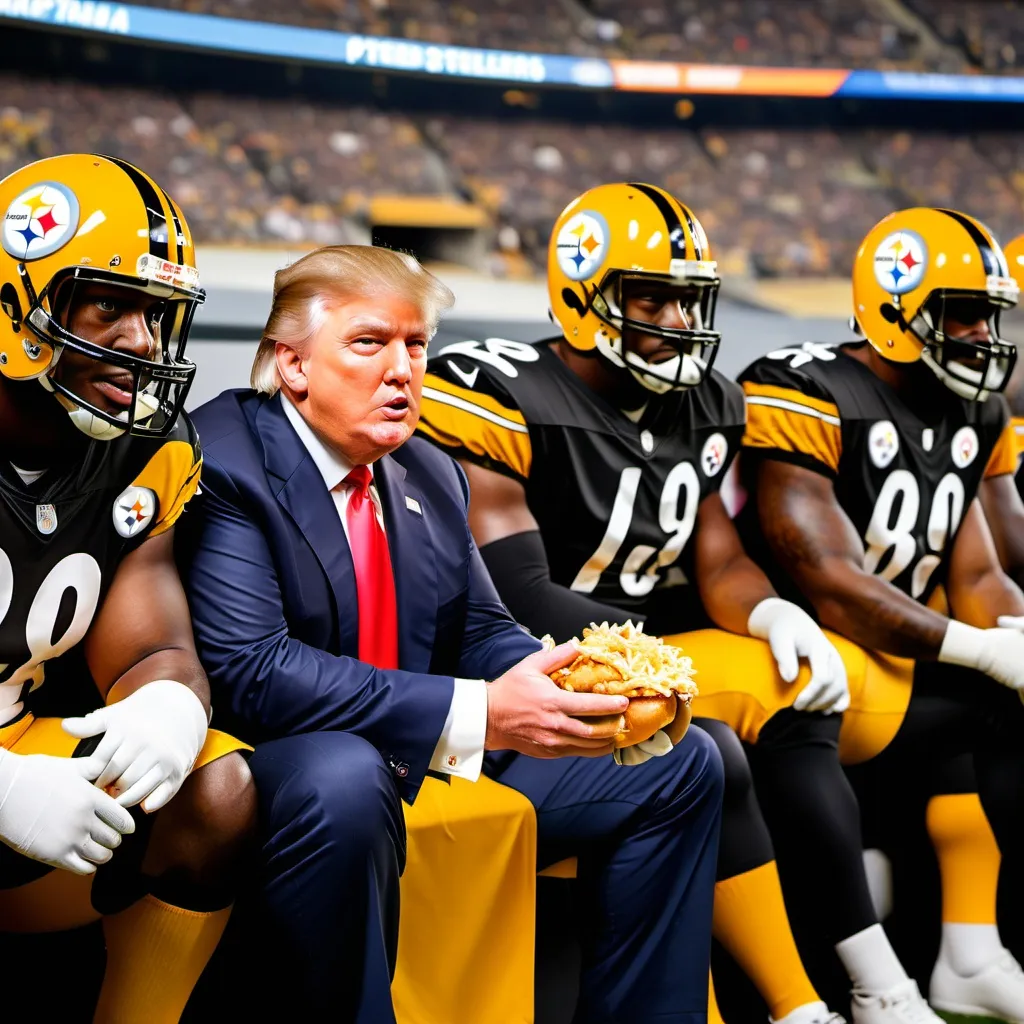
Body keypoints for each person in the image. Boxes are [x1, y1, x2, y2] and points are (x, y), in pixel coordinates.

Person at [179, 243, 724, 1022]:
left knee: (680, 765)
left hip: (411, 745)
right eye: (370, 343)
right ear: (292, 365)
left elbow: (479, 628)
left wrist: (568, 686)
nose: (402, 369)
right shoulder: (221, 458)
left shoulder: (431, 471)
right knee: (344, 772)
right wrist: (479, 713)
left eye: (415, 344)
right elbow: (254, 671)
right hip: (284, 762)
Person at [417, 181, 845, 1024]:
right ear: (583, 295)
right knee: (708, 751)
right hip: (535, 657)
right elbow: (518, 590)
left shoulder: (709, 401)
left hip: (643, 644)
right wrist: (657, 658)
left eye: (690, 301)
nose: (679, 322)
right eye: (653, 298)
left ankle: (832, 988)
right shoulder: (499, 390)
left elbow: (718, 559)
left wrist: (770, 613)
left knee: (793, 695)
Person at [735, 207, 1024, 1022]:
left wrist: (1012, 638)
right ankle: (874, 983)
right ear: (897, 310)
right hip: (796, 653)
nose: (981, 333)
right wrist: (979, 647)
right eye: (959, 313)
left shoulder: (972, 409)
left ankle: (971, 951)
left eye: (987, 314)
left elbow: (979, 572)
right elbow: (827, 582)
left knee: (1004, 704)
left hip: (891, 665)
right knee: (809, 712)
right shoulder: (808, 388)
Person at [0, 153, 255, 1022]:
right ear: (17, 303)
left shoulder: (146, 447)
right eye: (111, 305)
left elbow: (150, 645)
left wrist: (170, 706)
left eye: (158, 315)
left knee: (217, 792)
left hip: (21, 733)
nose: (143, 341)